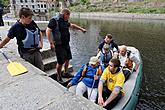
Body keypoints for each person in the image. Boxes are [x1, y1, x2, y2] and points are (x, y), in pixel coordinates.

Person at [46, 8, 86, 83]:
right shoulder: (54, 20)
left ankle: (65, 72)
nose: (69, 17)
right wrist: (51, 43)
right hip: (59, 45)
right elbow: (48, 30)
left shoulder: (65, 21)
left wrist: (81, 29)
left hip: (66, 44)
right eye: (68, 15)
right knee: (60, 62)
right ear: (65, 14)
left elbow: (72, 25)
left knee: (67, 59)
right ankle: (59, 76)